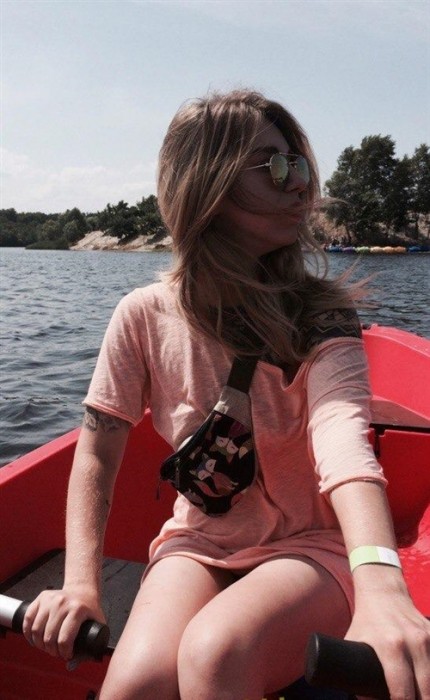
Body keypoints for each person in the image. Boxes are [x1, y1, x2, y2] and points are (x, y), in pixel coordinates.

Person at [23, 89, 429, 700]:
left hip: (311, 546)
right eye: (275, 166)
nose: (300, 183)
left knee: (217, 653)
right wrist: (82, 585)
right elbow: (98, 453)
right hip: (198, 542)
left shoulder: (320, 314)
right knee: (132, 686)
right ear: (205, 183)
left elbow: (340, 437)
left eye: (299, 164)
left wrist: (379, 580)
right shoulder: (142, 315)